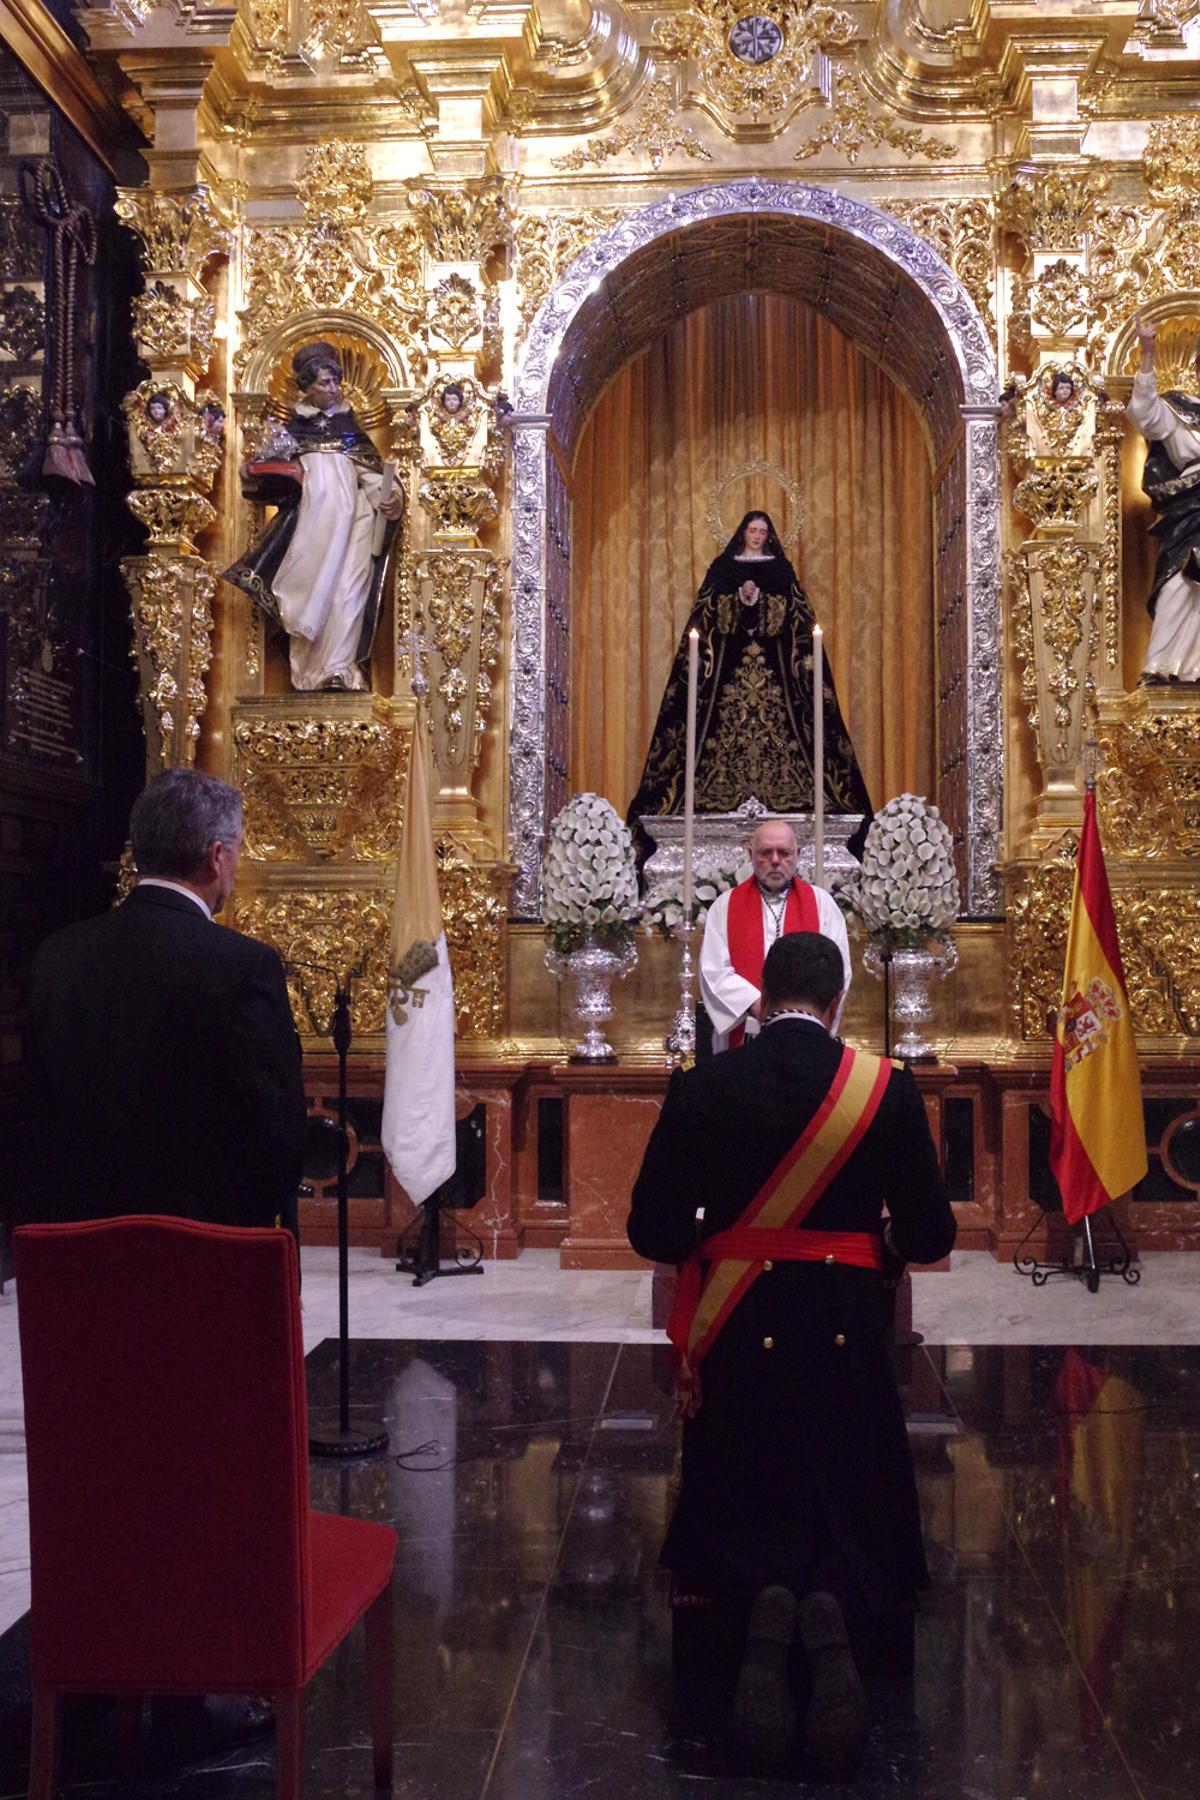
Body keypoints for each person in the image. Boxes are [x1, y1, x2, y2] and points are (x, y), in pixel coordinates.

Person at [628, 932, 956, 1779]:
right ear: (839, 1002)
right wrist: (874, 1239)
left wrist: (723, 1243)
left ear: (763, 1002)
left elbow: (650, 1230)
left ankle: (763, 1602)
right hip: (848, 1333)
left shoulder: (703, 1086)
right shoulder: (884, 1090)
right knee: (850, 1489)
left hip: (740, 1337)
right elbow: (932, 1231)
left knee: (742, 1481)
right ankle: (833, 1601)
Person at [25, 768, 306, 1241]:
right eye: (237, 850)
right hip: (206, 1245)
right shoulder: (244, 965)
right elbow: (277, 1130)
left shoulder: (58, 955)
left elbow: (42, 1103)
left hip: (83, 1240)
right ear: (217, 857)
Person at [626, 510, 871, 863]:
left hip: (776, 672)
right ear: (742, 533)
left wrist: (764, 602)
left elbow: (796, 616)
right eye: (752, 530)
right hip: (726, 671)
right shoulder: (723, 567)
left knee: (794, 730)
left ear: (769, 535)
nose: (757, 535)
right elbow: (706, 614)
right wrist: (737, 599)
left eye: (762, 531)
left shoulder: (780, 569)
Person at [222, 340, 402, 692]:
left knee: (347, 595)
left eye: (335, 382)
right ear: (307, 387)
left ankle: (338, 670)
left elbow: (372, 476)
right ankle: (307, 675)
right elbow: (266, 473)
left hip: (353, 530)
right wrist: (256, 473)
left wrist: (390, 497)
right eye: (324, 383)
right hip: (310, 530)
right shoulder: (292, 433)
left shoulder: (350, 431)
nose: (333, 389)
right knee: (309, 597)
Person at [700, 818, 851, 1051]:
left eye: (784, 852)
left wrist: (800, 1015)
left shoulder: (822, 904)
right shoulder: (726, 905)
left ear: (797, 853)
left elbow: (837, 970)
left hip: (807, 1036)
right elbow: (714, 970)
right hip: (746, 1033)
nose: (775, 860)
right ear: (750, 854)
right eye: (765, 853)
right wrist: (757, 1003)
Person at [1126, 314, 1200, 684]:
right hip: (1191, 503)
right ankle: (1160, 665)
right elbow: (1145, 414)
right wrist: (1148, 352)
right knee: (1178, 579)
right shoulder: (1180, 409)